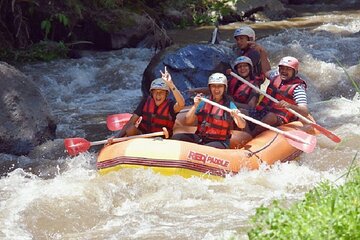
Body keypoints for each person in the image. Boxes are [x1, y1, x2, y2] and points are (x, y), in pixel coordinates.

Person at [172, 73, 246, 149]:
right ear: (210, 88)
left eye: (220, 86)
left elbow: (242, 125)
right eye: (213, 86)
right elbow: (188, 121)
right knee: (177, 137)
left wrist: (237, 116)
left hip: (220, 141)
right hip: (201, 138)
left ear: (224, 88)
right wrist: (195, 106)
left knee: (204, 149)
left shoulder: (229, 105)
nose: (216, 89)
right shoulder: (203, 102)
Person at [116, 67, 185, 137]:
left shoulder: (170, 106)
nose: (158, 95)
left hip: (162, 138)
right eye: (155, 92)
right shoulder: (146, 102)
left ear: (166, 94)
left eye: (161, 92)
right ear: (152, 93)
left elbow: (181, 104)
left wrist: (171, 84)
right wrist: (116, 138)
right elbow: (131, 122)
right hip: (143, 136)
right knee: (130, 129)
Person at [251, 56, 309, 136]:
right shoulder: (275, 75)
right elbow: (266, 71)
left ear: (294, 72)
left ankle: (252, 135)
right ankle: (243, 133)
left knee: (270, 116)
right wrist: (262, 52)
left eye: (288, 69)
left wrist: (289, 106)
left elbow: (304, 111)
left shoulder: (298, 88)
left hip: (280, 118)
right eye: (282, 68)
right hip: (262, 111)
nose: (284, 71)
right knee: (242, 111)